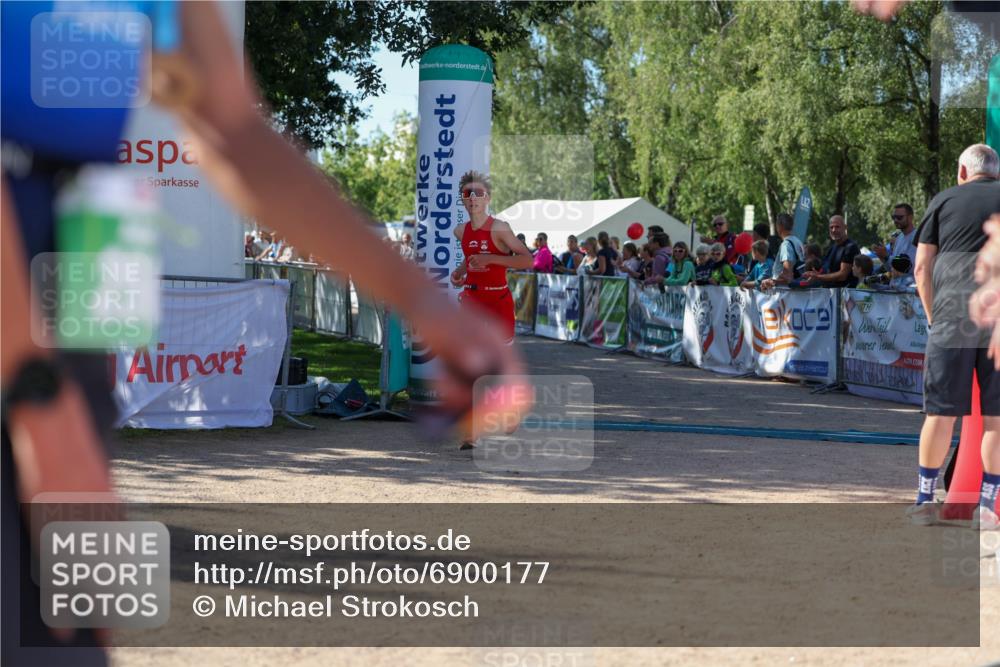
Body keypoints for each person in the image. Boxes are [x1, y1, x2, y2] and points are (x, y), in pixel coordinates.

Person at [3, 3, 532, 664]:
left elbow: (234, 132)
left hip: (64, 276)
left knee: (67, 630)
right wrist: (41, 406)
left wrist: (425, 301)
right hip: (20, 330)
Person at [909, 144, 1000, 529]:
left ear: (963, 172)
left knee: (941, 414)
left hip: (950, 319)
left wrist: (933, 317)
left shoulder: (943, 201)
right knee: (996, 419)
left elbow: (920, 268)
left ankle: (925, 501)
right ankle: (988, 507)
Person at [802, 216, 861, 288]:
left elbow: (842, 275)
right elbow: (826, 270)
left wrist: (818, 276)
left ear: (845, 227)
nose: (834, 230)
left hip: (844, 296)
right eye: (831, 227)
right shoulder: (832, 248)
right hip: (830, 294)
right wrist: (815, 274)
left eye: (837, 227)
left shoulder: (850, 247)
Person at [760, 213, 805, 290]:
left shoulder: (786, 245)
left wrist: (770, 282)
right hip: (794, 292)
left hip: (785, 293)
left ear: (780, 226)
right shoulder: (798, 241)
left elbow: (787, 276)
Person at [873, 203, 918, 277]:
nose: (895, 220)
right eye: (893, 217)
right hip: (896, 287)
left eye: (899, 217)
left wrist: (886, 256)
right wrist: (883, 257)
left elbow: (907, 268)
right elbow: (892, 269)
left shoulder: (917, 237)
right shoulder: (899, 237)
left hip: (908, 287)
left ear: (910, 217)